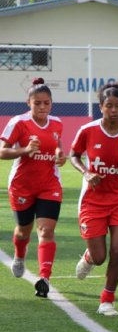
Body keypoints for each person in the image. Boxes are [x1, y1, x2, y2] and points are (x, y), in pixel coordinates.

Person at [70, 82, 118, 316]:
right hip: (93, 201)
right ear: (101, 107)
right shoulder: (88, 130)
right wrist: (86, 172)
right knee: (100, 256)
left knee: (116, 251)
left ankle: (107, 300)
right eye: (109, 106)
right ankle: (88, 257)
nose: (114, 110)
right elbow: (73, 155)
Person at [0, 78, 66, 298]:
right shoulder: (18, 123)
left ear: (51, 103)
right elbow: (2, 152)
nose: (42, 107)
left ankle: (44, 277)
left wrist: (59, 155)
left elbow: (57, 147)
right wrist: (25, 150)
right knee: (23, 232)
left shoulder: (57, 123)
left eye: (46, 103)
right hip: (22, 186)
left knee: (46, 231)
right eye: (37, 103)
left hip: (49, 185)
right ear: (28, 103)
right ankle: (19, 256)